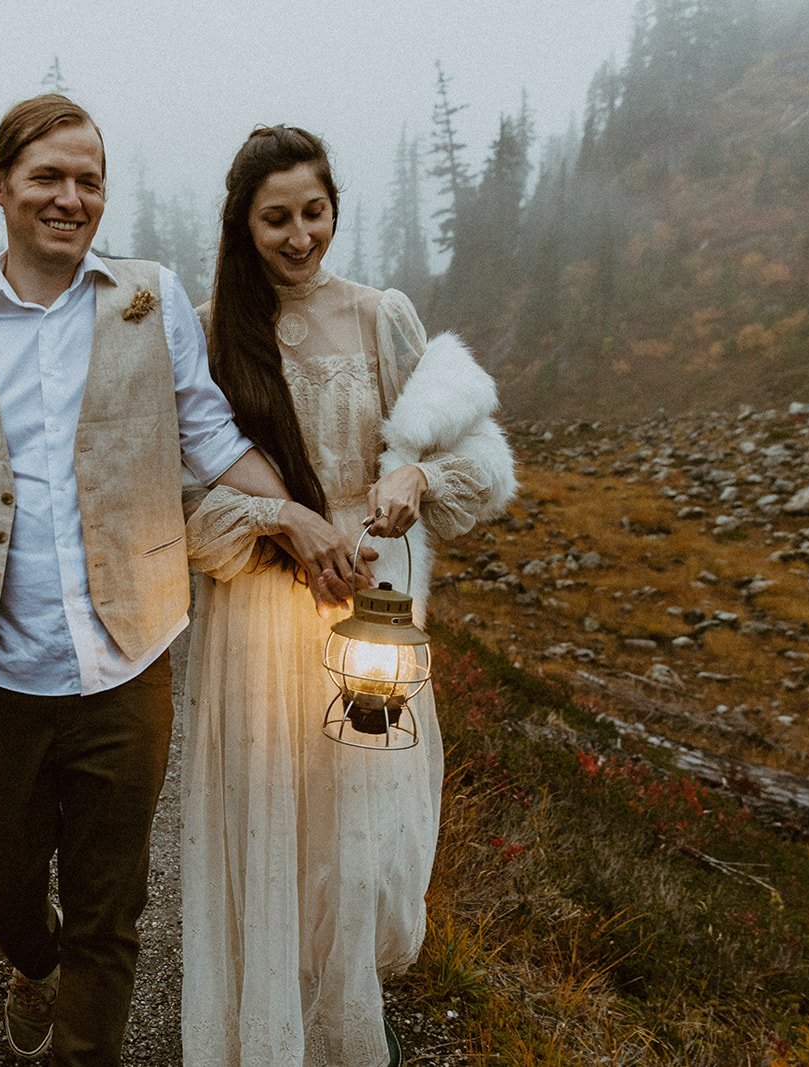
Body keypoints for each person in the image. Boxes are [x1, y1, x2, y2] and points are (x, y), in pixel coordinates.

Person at [0, 97, 360, 1066]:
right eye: (48, 177)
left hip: (129, 662)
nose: (70, 198)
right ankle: (27, 964)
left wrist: (292, 512)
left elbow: (210, 441)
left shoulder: (148, 300)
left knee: (108, 910)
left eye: (88, 180)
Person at [180, 125, 517, 1066]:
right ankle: (272, 1038)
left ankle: (344, 1023)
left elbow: (482, 467)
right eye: (275, 218)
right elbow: (184, 508)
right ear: (243, 224)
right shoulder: (212, 332)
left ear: (335, 209)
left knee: (370, 847)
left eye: (313, 212)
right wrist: (281, 521)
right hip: (258, 613)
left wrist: (413, 477)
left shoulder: (382, 316)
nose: (298, 236)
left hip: (372, 607)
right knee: (274, 828)